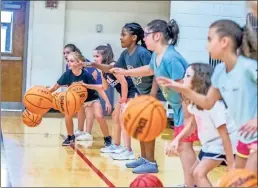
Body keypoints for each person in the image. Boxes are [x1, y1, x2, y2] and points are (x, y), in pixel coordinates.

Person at [156, 19, 257, 171]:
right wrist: (181, 88)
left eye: (210, 39)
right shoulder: (220, 71)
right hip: (243, 137)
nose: (206, 45)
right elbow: (207, 102)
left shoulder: (248, 68)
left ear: (224, 42)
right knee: (239, 181)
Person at [111, 19, 199, 185]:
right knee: (183, 147)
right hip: (180, 107)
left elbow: (185, 88)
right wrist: (125, 72)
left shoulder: (171, 58)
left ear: (157, 36)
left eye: (146, 35)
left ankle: (192, 184)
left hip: (188, 107)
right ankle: (190, 183)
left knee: (185, 147)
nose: (144, 39)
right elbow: (150, 70)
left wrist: (187, 117)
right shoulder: (158, 56)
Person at [167, 63, 236, 187]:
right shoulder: (195, 104)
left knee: (199, 173)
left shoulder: (214, 106)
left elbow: (224, 134)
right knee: (193, 172)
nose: (183, 79)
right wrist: (177, 139)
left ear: (200, 79)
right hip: (210, 144)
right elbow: (192, 125)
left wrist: (231, 164)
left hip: (223, 143)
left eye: (187, 75)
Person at [49, 52, 113, 149]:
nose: (68, 63)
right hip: (78, 101)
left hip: (91, 99)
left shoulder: (86, 75)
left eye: (71, 61)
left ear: (79, 63)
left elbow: (98, 88)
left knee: (99, 116)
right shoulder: (67, 74)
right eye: (68, 61)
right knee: (67, 114)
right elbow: (55, 87)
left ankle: (107, 138)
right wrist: (44, 93)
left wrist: (107, 102)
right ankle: (70, 136)